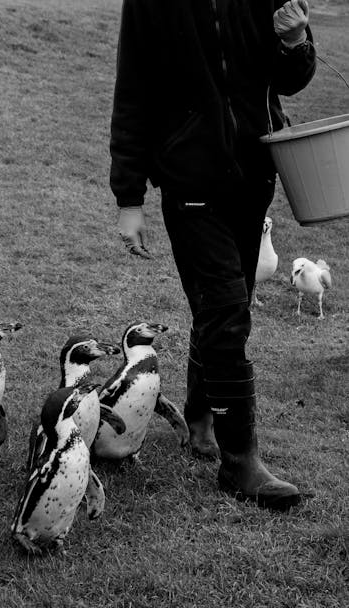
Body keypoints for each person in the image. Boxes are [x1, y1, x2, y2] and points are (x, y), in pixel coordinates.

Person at [110, 0, 316, 511]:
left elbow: (289, 79)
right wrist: (129, 199)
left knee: (228, 302)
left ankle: (201, 415)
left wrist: (295, 41)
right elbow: (133, 89)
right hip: (189, 181)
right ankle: (240, 461)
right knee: (225, 308)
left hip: (254, 177)